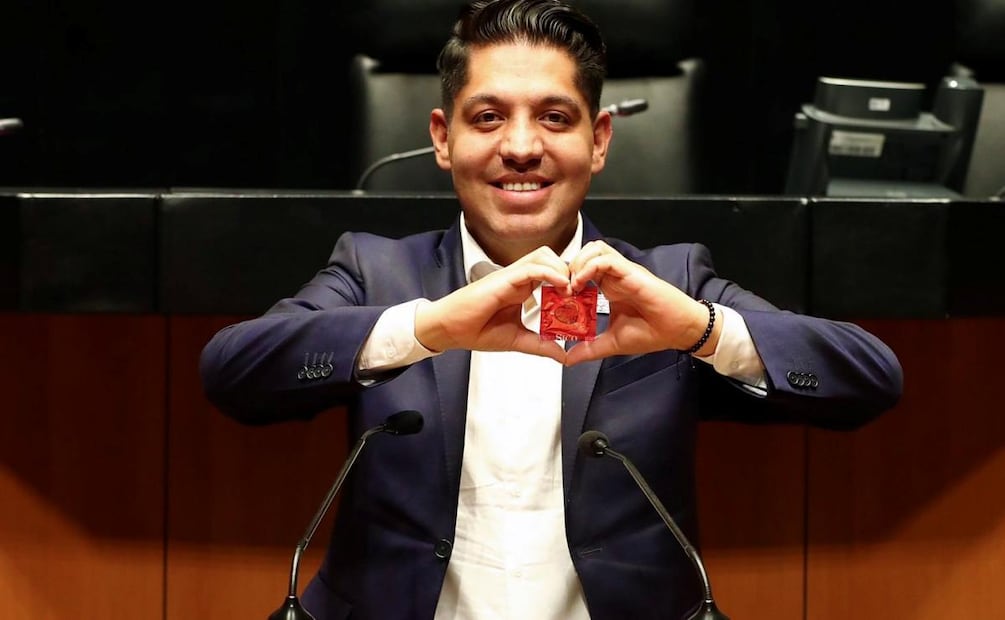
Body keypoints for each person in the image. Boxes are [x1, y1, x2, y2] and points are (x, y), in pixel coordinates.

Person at [199, 1, 903, 618]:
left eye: (555, 118)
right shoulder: (376, 270)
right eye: (488, 117)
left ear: (597, 141)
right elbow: (232, 371)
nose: (521, 147)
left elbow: (869, 379)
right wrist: (425, 327)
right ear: (443, 138)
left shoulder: (666, 279)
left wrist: (697, 329)